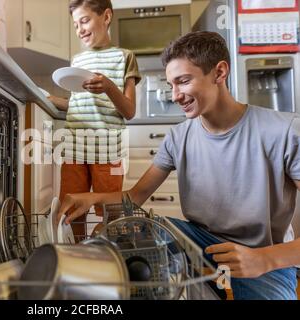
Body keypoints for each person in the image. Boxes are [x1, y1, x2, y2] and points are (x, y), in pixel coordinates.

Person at [57, 31, 300, 300]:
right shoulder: (178, 136)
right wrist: (89, 199)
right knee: (138, 226)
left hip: (263, 257)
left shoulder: (284, 131)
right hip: (200, 244)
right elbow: (134, 197)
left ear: (219, 73)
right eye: (171, 84)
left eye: (183, 82)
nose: (175, 95)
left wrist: (264, 260)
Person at [48, 0, 141, 239]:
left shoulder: (124, 57)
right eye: (76, 24)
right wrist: (48, 98)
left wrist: (109, 86)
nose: (80, 29)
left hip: (107, 151)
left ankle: (107, 256)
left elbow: (129, 111)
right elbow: (78, 105)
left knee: (110, 213)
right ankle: (77, 257)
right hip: (75, 149)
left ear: (106, 16)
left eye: (85, 20)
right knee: (71, 210)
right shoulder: (77, 61)